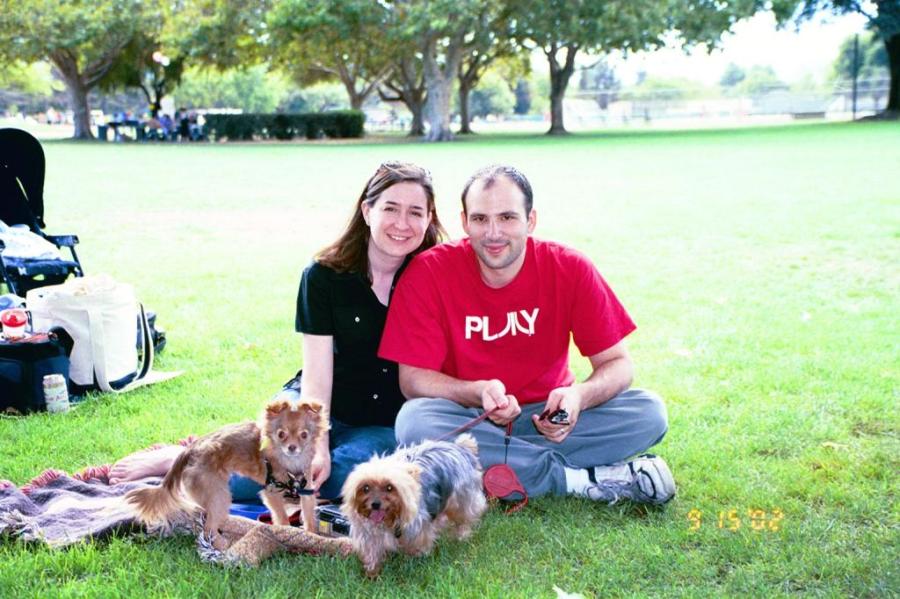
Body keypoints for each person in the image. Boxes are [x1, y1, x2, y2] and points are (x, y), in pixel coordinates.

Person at [110, 162, 447, 502]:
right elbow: (317, 375)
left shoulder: (435, 278)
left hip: (380, 423)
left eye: (415, 212)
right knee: (261, 477)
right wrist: (318, 443)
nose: (402, 223)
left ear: (429, 218)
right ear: (367, 210)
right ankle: (185, 456)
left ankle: (247, 456)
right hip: (315, 404)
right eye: (390, 208)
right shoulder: (324, 276)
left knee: (345, 480)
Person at [378, 164, 676, 505]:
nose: (493, 233)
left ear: (530, 220)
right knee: (415, 423)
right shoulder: (428, 272)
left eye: (507, 218)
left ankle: (498, 465)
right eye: (480, 219)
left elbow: (618, 364)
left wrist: (578, 397)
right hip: (472, 418)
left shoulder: (570, 267)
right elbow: (413, 381)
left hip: (549, 421)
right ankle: (579, 479)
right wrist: (476, 392)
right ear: (464, 222)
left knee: (649, 412)